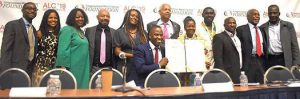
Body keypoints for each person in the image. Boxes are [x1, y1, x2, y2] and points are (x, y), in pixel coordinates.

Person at [55, 8, 90, 89]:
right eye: (77, 17)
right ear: (72, 18)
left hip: (82, 67)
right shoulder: (67, 29)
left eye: (82, 17)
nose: (80, 19)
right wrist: (63, 67)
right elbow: (62, 50)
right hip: (70, 68)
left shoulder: (81, 31)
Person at [0, 2, 38, 76]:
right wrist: (5, 72)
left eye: (34, 9)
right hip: (14, 70)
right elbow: (5, 50)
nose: (32, 11)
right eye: (29, 8)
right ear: (22, 10)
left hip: (29, 70)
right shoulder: (12, 25)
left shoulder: (33, 29)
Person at [260, 5, 300, 69]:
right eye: (270, 13)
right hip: (270, 60)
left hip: (284, 59)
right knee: (270, 78)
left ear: (279, 14)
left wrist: (297, 63)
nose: (272, 15)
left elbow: (294, 45)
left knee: (286, 78)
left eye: (275, 13)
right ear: (268, 14)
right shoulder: (262, 27)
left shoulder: (288, 26)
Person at [114, 9, 147, 83]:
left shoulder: (143, 33)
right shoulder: (119, 32)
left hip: (140, 67)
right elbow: (117, 51)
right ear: (127, 17)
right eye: (132, 15)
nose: (134, 17)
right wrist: (133, 55)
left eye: (137, 17)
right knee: (124, 92)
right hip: (124, 66)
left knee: (139, 91)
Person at [32, 9, 61, 86]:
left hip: (55, 67)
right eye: (50, 18)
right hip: (40, 67)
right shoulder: (39, 33)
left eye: (55, 18)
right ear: (46, 19)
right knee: (39, 91)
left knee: (53, 90)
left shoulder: (60, 34)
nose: (53, 20)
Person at [236, 9, 265, 84]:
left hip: (261, 60)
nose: (257, 16)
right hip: (248, 62)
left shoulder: (262, 29)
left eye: (258, 15)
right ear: (248, 17)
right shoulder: (240, 29)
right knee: (249, 84)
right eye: (254, 14)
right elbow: (237, 48)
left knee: (262, 84)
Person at [85, 9, 116, 76]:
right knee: (92, 86)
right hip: (93, 69)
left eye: (107, 16)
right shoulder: (89, 31)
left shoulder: (114, 32)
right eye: (102, 16)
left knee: (107, 86)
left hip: (109, 69)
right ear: (97, 17)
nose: (105, 18)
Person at [213, 17, 242, 83]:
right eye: (229, 23)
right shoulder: (219, 37)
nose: (232, 25)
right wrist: (222, 74)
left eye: (234, 23)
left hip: (238, 72)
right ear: (224, 25)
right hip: (227, 73)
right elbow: (218, 58)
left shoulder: (237, 38)